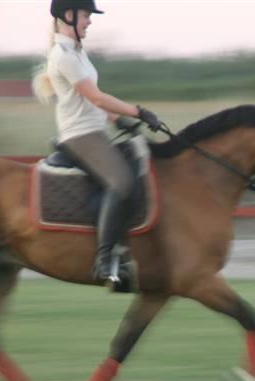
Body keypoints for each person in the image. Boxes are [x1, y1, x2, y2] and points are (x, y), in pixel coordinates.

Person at [32, 0, 161, 286]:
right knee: (121, 182)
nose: (89, 22)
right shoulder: (63, 55)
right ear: (68, 15)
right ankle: (105, 261)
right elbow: (97, 97)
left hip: (94, 130)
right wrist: (138, 111)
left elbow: (95, 102)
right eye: (86, 16)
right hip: (80, 136)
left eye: (90, 17)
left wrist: (118, 119)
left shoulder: (77, 53)